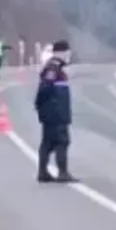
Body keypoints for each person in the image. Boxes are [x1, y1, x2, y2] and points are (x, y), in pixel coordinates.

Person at [35, 40, 76, 183]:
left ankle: (43, 172)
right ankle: (62, 173)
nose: (68, 56)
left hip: (54, 112)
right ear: (60, 52)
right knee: (62, 142)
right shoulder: (53, 68)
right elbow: (44, 89)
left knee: (48, 142)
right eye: (67, 53)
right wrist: (43, 108)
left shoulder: (57, 68)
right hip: (55, 113)